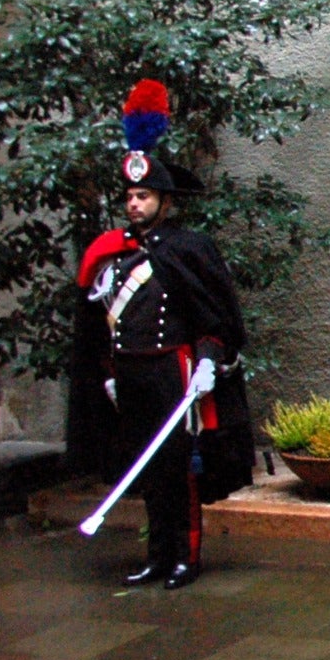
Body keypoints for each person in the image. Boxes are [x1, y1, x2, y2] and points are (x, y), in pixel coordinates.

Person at [73, 80, 254, 590]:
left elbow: (217, 319)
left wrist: (206, 362)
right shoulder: (108, 253)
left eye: (144, 196)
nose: (134, 204)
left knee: (180, 469)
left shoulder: (187, 248)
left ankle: (185, 557)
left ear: (164, 201)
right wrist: (107, 376)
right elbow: (98, 327)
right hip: (130, 377)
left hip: (173, 373)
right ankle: (156, 555)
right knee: (147, 471)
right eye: (130, 196)